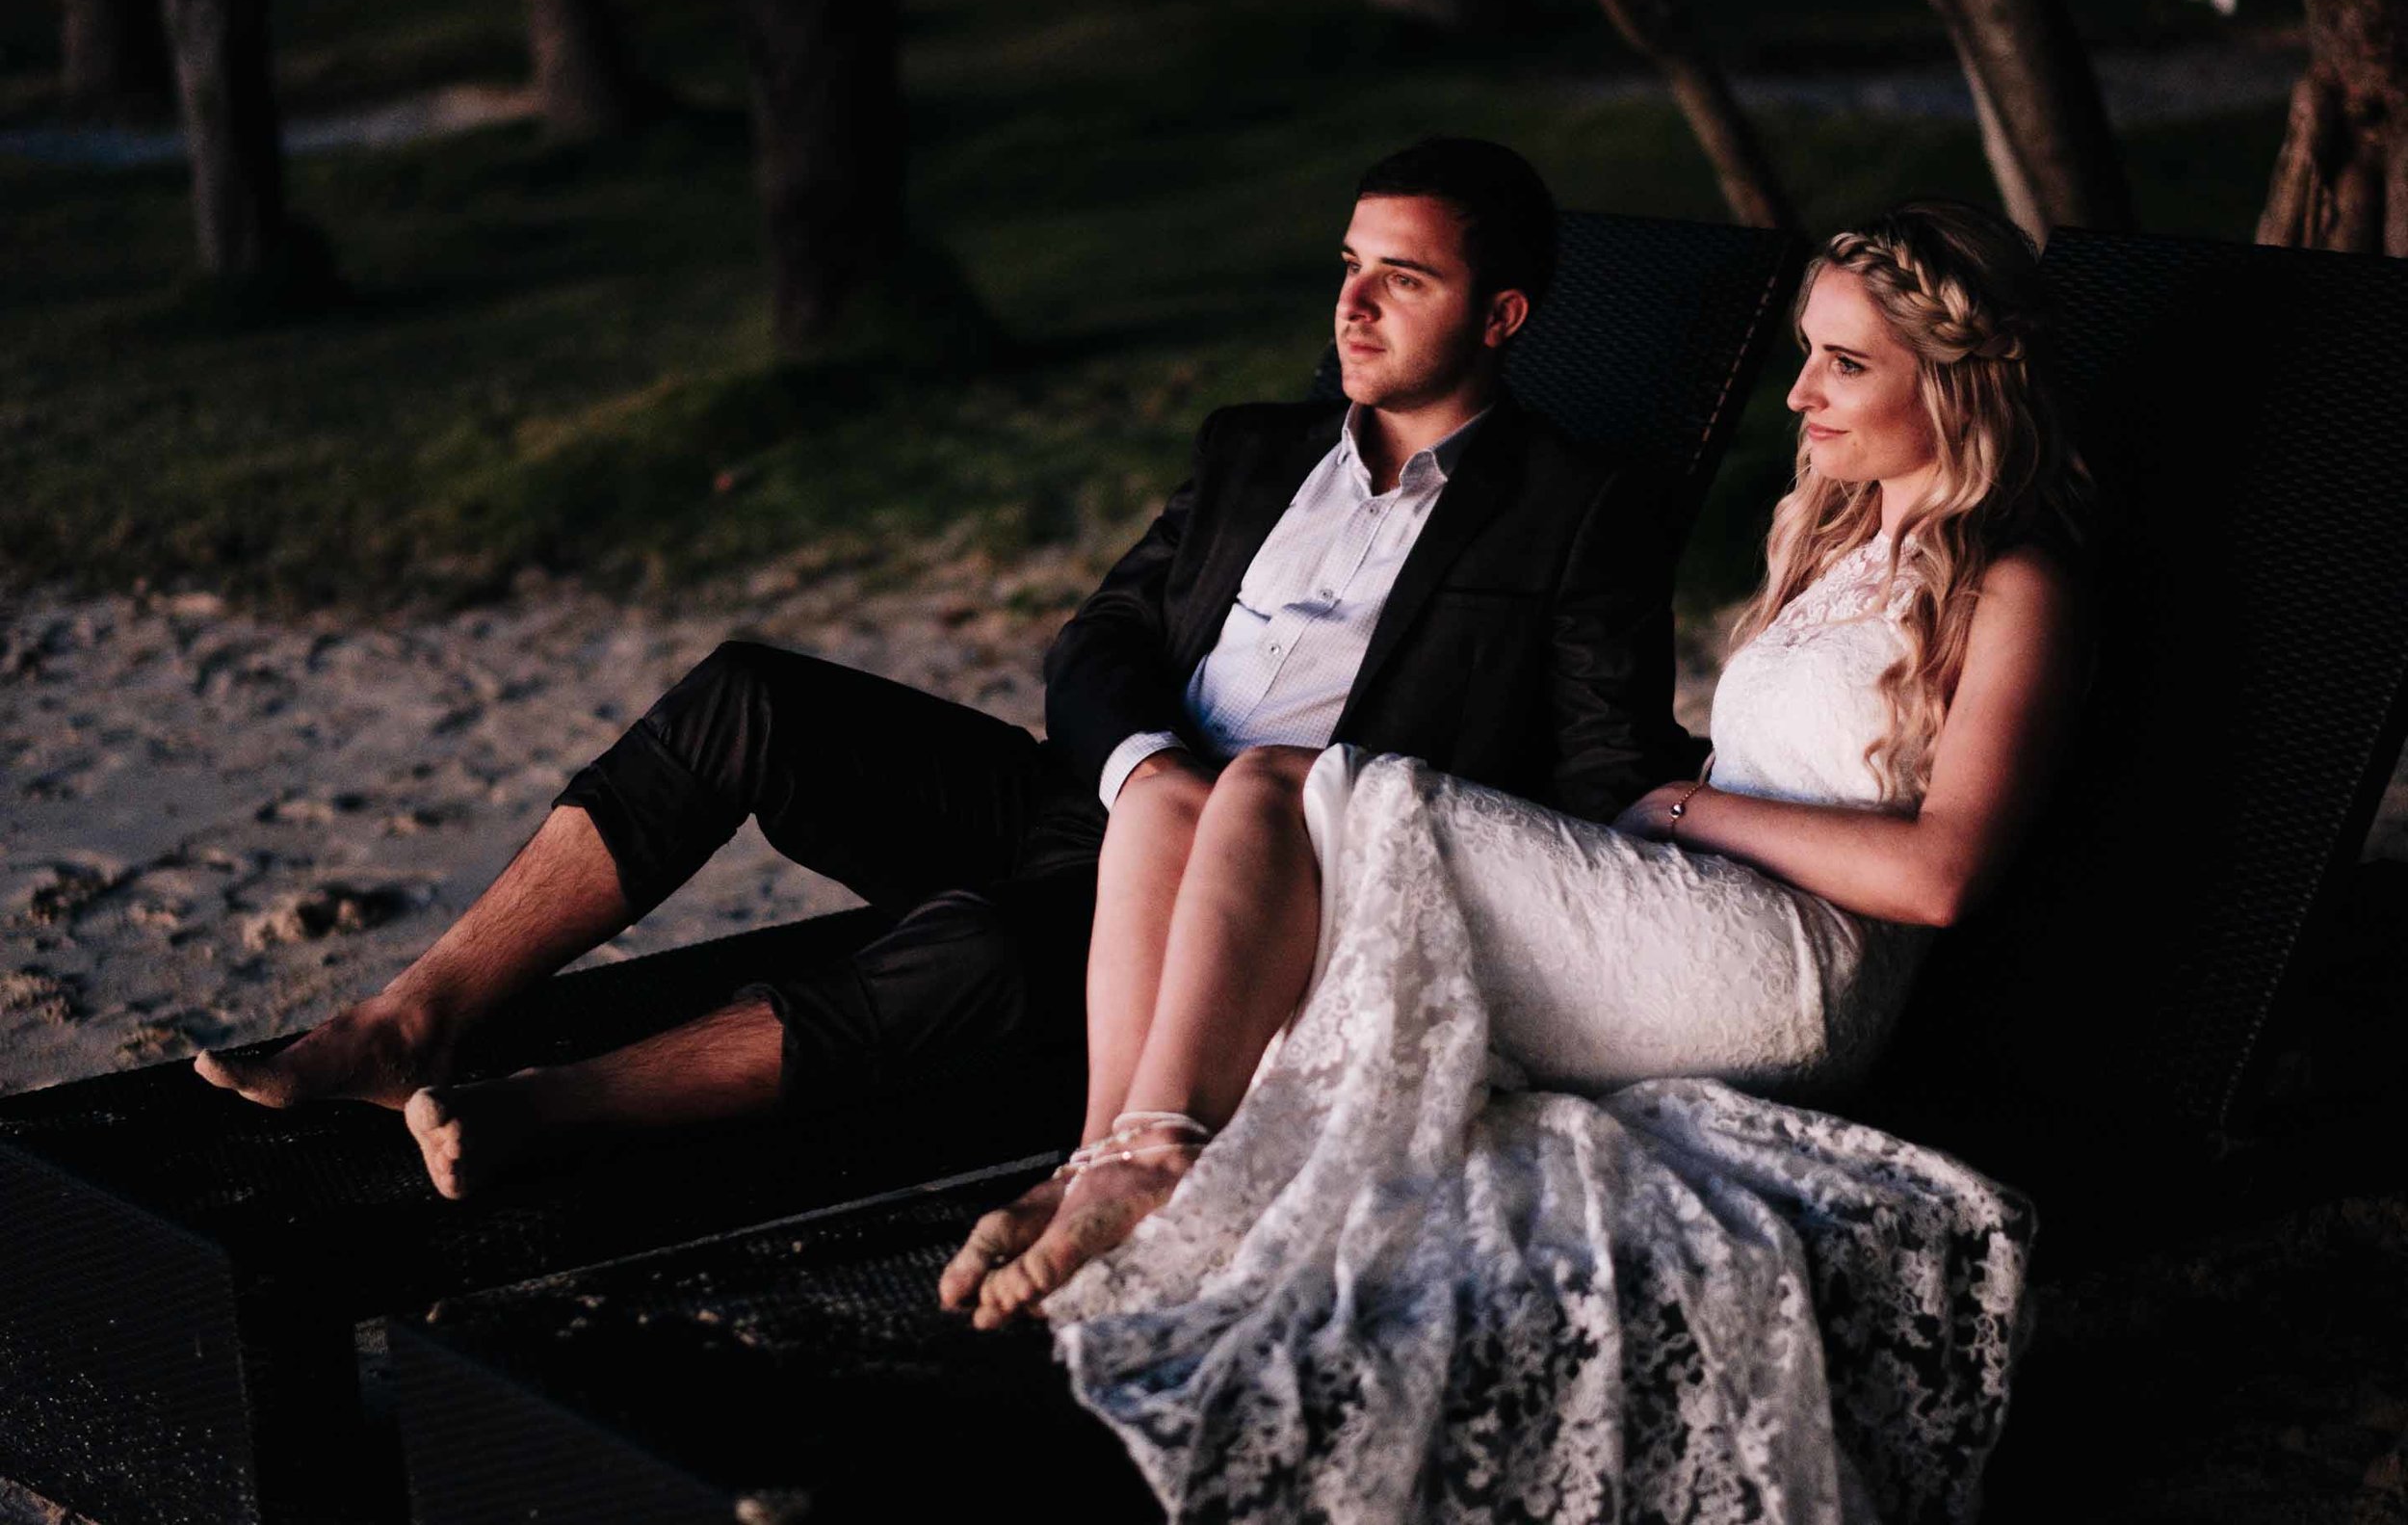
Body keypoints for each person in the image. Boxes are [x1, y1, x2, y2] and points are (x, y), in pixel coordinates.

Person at [191, 138, 1696, 1200]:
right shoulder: (1255, 446)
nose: (1352, 308)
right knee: (750, 693)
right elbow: (1100, 640)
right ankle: (412, 1021)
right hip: (1098, 793)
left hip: (1245, 890)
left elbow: (1585, 772)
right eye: (1349, 268)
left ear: (1499, 318)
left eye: (1404, 281)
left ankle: (542, 1112)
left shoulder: (1579, 506)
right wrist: (1135, 764)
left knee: (977, 957)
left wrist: (1715, 811)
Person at [940, 200, 2088, 1523]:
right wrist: (1652, 819)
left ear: (1961, 381)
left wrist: (1683, 811)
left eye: (1846, 364)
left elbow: (1943, 876)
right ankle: (1107, 1162)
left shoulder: (2016, 587)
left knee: (1283, 785)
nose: (1801, 394)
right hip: (1704, 910)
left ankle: (1154, 1162)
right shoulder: (1827, 537)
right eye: (1806, 353)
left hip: (1801, 972)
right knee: (1189, 812)